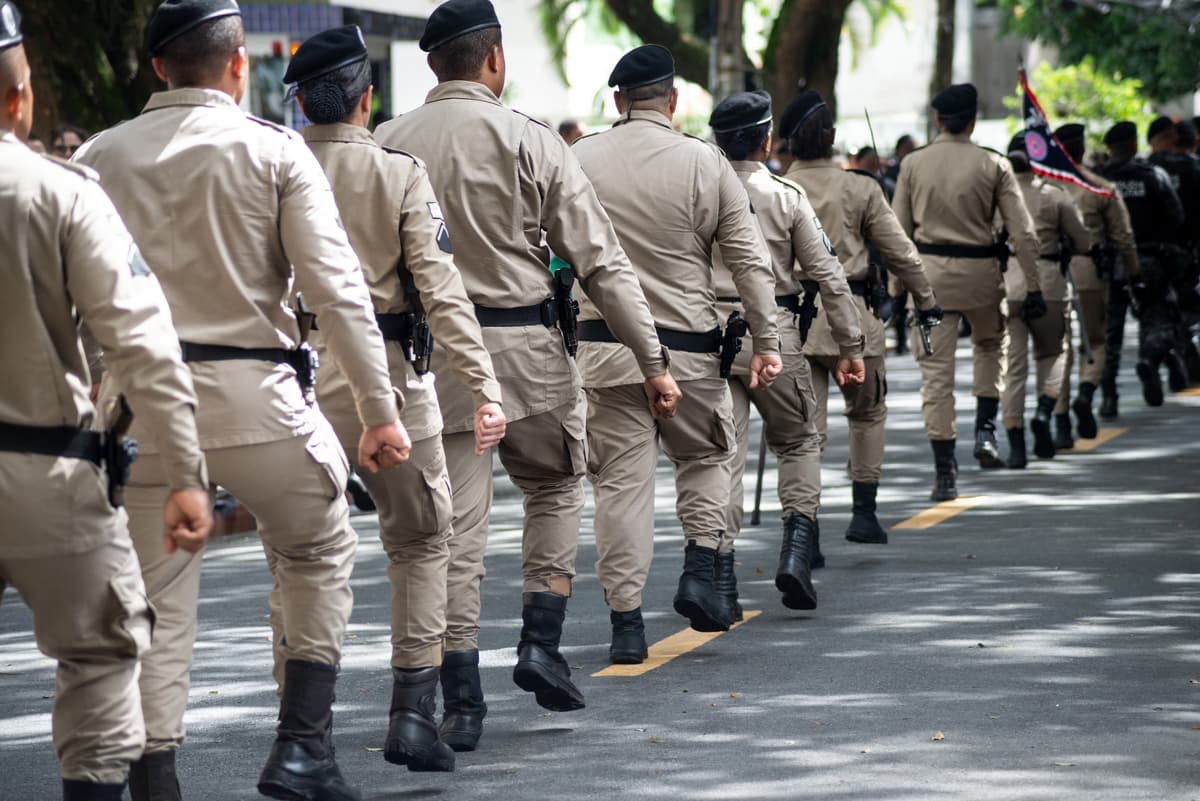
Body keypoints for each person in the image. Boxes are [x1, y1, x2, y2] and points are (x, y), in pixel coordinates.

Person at [75, 2, 413, 798]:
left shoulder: (95, 159)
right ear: (238, 64)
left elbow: (74, 309)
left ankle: (156, 781)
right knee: (317, 548)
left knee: (156, 603)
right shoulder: (275, 151)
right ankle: (302, 748)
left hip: (139, 413)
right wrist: (379, 411)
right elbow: (338, 293)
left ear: (157, 67)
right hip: (260, 401)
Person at [376, 0, 679, 743]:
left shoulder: (387, 141)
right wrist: (652, 360)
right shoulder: (530, 139)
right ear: (495, 58)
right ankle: (540, 642)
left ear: (431, 63)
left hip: (437, 362)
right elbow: (599, 261)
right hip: (532, 356)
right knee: (554, 486)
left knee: (456, 531)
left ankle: (462, 699)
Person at [0, 6, 212, 798]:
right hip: (45, 474)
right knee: (98, 656)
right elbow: (143, 343)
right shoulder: (58, 193)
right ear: (19, 97)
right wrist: (186, 473)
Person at [284, 25, 507, 772]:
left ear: (301, 103)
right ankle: (412, 715)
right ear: (366, 98)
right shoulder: (397, 173)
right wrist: (483, 387)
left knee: (297, 553)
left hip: (295, 381)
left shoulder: (273, 166)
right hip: (388, 381)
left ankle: (302, 736)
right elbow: (443, 294)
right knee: (420, 540)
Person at [571, 52, 781, 658]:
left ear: (619, 101)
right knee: (708, 455)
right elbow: (749, 261)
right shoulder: (704, 161)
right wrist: (767, 341)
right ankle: (699, 568)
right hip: (690, 355)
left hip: (606, 354)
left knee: (620, 488)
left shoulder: (579, 157)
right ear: (673, 101)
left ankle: (627, 625)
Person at [706, 90, 864, 618]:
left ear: (717, 140)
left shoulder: (698, 191)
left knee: (721, 455)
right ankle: (796, 552)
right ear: (768, 140)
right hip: (773, 334)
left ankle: (721, 580)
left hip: (707, 337)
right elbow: (829, 276)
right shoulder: (785, 195)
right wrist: (851, 345)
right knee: (798, 441)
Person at [781, 89, 937, 542]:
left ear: (789, 142)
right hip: (854, 315)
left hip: (792, 322)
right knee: (867, 414)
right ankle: (864, 514)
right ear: (831, 138)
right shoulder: (861, 187)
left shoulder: (775, 189)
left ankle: (803, 534)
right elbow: (901, 253)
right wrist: (926, 300)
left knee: (804, 432)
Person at [892, 83, 1043, 501]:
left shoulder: (913, 164)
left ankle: (945, 472)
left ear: (938, 120)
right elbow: (1023, 233)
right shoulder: (994, 164)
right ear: (973, 122)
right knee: (990, 346)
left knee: (936, 376)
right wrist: (1033, 285)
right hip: (982, 278)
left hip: (929, 282)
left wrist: (895, 288)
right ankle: (986, 430)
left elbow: (897, 235)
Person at [1000, 134, 1089, 467]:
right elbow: (1083, 241)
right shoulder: (1054, 194)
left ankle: (1016, 444)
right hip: (1049, 284)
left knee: (1013, 368)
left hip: (1009, 287)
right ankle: (1044, 411)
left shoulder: (998, 198)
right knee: (1054, 356)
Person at [1052, 123, 1139, 441]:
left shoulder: (1042, 185)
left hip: (1052, 273)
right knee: (1096, 341)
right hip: (1089, 271)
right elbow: (1123, 237)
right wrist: (1134, 273)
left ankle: (1061, 422)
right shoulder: (1101, 187)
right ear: (1082, 149)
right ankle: (1086, 393)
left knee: (1058, 348)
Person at [1099, 120, 1188, 407]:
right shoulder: (1153, 175)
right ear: (1134, 143)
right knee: (1158, 319)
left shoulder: (1099, 180)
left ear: (1110, 148)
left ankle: (1108, 396)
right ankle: (1149, 359)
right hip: (1150, 261)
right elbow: (1176, 216)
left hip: (1112, 263)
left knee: (1111, 333)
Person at [1147, 117, 1200, 383]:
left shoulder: (1149, 168)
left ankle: (1172, 358)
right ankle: (1185, 354)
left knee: (1160, 310)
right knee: (1187, 307)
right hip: (1186, 250)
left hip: (1153, 253)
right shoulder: (1193, 167)